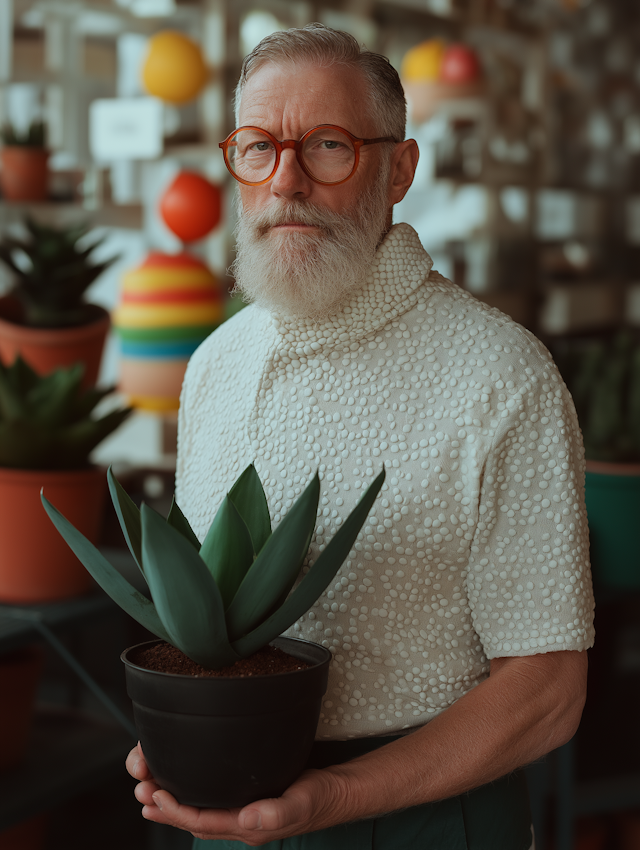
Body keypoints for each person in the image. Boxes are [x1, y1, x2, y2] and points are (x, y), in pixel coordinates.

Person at [126, 23, 595, 849]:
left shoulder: (501, 375)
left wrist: (332, 799)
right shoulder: (212, 366)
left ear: (400, 169)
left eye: (329, 146)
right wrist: (183, 725)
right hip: (225, 815)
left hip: (429, 818)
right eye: (258, 148)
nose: (287, 182)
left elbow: (549, 688)